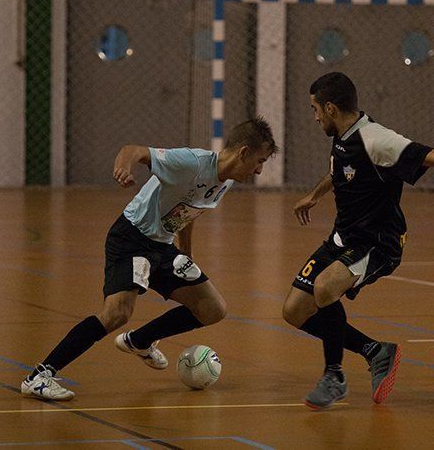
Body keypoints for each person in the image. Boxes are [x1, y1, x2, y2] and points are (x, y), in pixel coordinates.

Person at [282, 72, 434, 410]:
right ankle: (376, 351)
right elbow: (338, 169)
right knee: (294, 310)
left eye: (314, 109)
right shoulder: (344, 135)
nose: (313, 116)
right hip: (343, 237)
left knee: (325, 288)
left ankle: (334, 376)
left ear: (330, 108)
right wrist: (314, 196)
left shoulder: (377, 139)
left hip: (378, 242)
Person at [21, 118, 277, 400]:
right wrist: (123, 168)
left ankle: (139, 341)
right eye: (259, 161)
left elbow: (189, 209)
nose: (260, 170)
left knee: (212, 308)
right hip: (132, 239)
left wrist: (186, 253)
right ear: (243, 152)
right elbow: (133, 150)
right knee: (117, 313)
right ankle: (41, 375)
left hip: (164, 247)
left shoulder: (224, 181)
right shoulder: (191, 162)